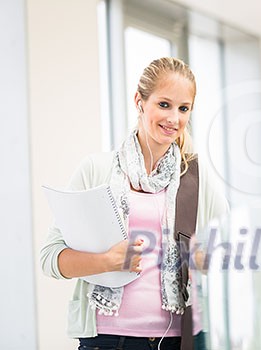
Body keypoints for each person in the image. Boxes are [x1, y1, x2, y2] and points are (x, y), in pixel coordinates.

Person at [40, 57, 228, 350]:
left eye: (183, 108)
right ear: (139, 101)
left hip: (180, 340)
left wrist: (203, 259)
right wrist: (106, 261)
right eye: (164, 105)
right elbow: (51, 258)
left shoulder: (196, 177)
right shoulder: (96, 169)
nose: (174, 119)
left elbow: (229, 253)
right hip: (108, 341)